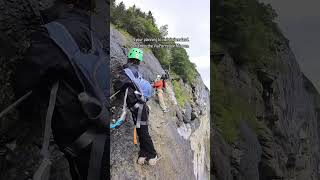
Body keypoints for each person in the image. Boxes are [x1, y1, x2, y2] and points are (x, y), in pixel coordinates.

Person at [14, 0, 109, 179]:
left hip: (86, 146)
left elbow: (24, 80)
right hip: (100, 133)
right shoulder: (93, 37)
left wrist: (27, 118)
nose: (48, 7)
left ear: (69, 3)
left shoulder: (52, 34)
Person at [114, 48, 159, 166]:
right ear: (139, 61)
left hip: (137, 107)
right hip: (141, 106)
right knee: (141, 130)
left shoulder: (126, 71)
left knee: (143, 132)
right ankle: (143, 154)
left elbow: (118, 85)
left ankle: (153, 155)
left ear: (129, 57)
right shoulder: (137, 73)